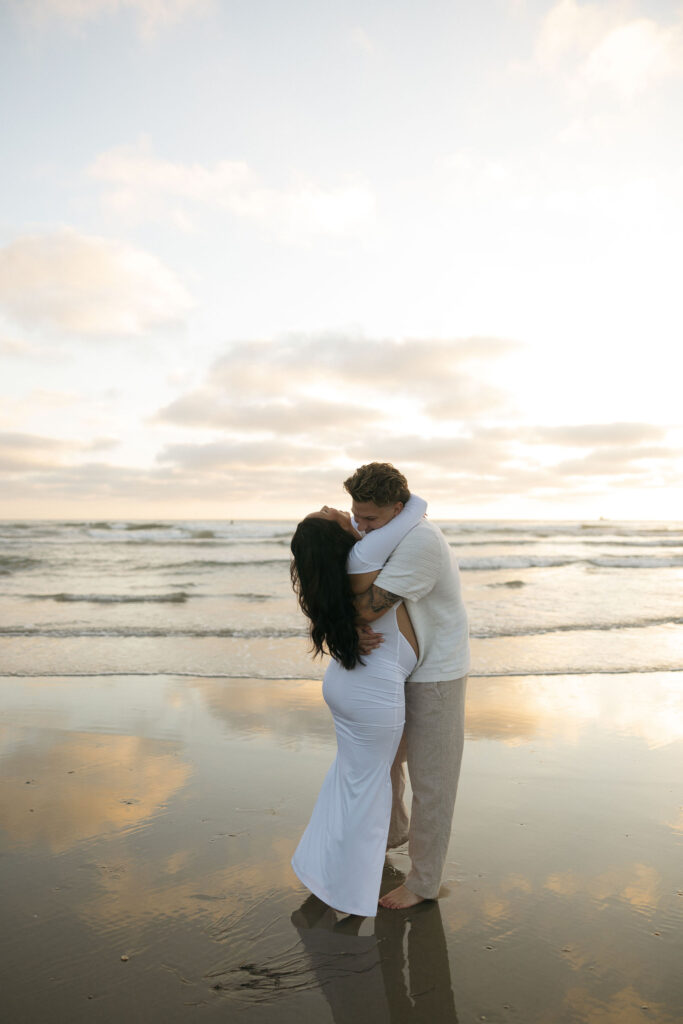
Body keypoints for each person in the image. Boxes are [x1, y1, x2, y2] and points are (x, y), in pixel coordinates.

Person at [290, 493, 428, 916]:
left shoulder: (342, 574)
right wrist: (402, 499)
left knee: (350, 781)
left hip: (349, 687)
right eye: (327, 513)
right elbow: (415, 510)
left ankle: (318, 868)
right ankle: (346, 892)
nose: (335, 509)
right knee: (369, 788)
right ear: (336, 536)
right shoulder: (365, 554)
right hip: (370, 692)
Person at [343, 463, 470, 910]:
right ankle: (395, 832)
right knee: (384, 761)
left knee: (432, 780)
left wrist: (349, 625)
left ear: (399, 508)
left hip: (437, 672)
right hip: (399, 668)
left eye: (371, 519)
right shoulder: (391, 533)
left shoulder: (420, 542)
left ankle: (424, 882)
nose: (361, 526)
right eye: (355, 516)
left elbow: (368, 608)